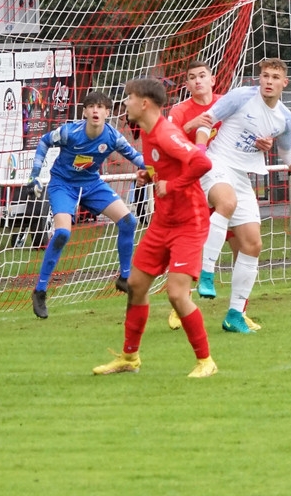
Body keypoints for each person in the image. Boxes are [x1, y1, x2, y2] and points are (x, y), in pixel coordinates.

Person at [195, 58, 291, 334]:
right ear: (259, 78)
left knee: (253, 244)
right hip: (216, 163)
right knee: (226, 203)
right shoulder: (241, 97)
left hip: (242, 176)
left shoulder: (284, 118)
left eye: (274, 77)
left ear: (285, 83)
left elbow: (287, 152)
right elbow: (206, 121)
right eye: (265, 76)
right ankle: (206, 273)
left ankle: (235, 315)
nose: (269, 81)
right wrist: (200, 153)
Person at [92, 78, 217, 378]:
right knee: (136, 285)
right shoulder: (148, 133)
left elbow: (202, 163)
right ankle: (129, 357)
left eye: (129, 98)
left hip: (188, 222)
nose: (125, 103)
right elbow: (165, 166)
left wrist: (172, 185)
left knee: (177, 294)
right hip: (163, 222)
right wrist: (150, 175)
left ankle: (206, 362)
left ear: (144, 103)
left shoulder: (166, 133)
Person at [25, 91, 146, 319]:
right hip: (63, 185)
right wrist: (34, 175)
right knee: (62, 233)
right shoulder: (70, 132)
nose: (95, 110)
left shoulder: (112, 136)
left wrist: (156, 169)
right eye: (91, 106)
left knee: (128, 221)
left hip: (92, 184)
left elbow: (136, 157)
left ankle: (124, 277)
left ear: (108, 113)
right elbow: (44, 141)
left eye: (100, 107)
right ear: (84, 112)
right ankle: (40, 290)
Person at [164, 59, 222, 329]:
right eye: (192, 77)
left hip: (223, 177)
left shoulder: (225, 104)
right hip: (190, 182)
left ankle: (238, 311)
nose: (198, 80)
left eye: (202, 75)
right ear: (186, 84)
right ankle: (181, 302)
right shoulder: (179, 111)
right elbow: (166, 141)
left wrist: (262, 141)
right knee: (190, 243)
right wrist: (191, 126)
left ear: (212, 79)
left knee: (246, 241)